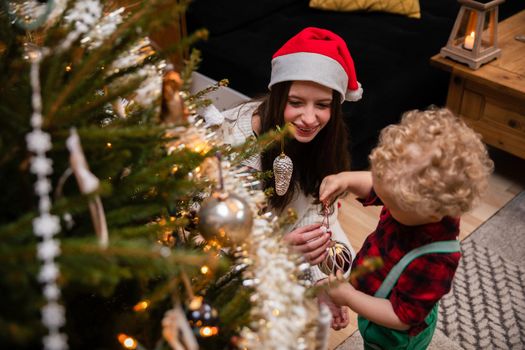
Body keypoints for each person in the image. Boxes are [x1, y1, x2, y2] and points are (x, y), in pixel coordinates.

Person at [215, 27, 363, 329]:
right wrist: (275, 251)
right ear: (279, 96)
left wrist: (322, 284)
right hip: (225, 263)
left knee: (346, 267)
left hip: (278, 244)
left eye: (322, 105)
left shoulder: (325, 141)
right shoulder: (232, 145)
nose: (310, 119)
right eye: (296, 102)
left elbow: (317, 213)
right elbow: (209, 241)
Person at [318, 107, 494, 349]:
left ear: (430, 212)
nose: (380, 198)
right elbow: (378, 185)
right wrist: (345, 179)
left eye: (388, 201)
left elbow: (402, 317)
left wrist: (350, 297)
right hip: (375, 292)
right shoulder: (417, 202)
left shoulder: (436, 260)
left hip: (393, 335)